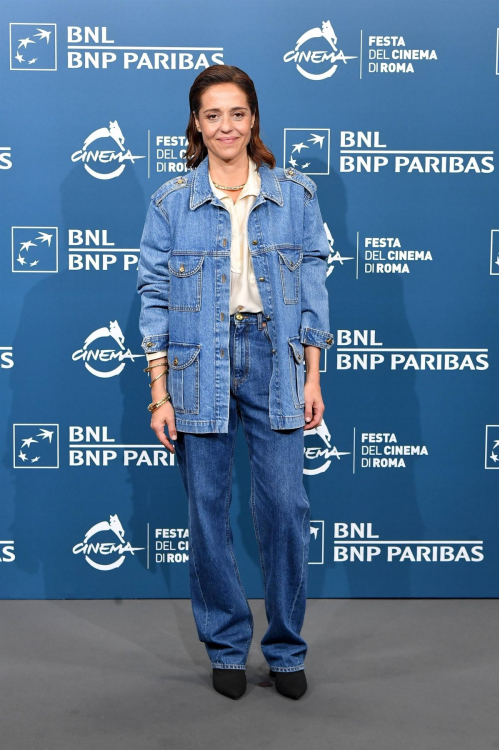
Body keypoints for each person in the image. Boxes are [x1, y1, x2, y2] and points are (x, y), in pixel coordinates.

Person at [137, 65, 333, 700]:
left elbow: (311, 291)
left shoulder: (295, 195)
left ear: (254, 120)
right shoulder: (171, 202)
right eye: (213, 115)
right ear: (197, 123)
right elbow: (154, 295)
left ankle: (284, 648)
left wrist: (313, 375)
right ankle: (225, 645)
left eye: (238, 113)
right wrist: (159, 391)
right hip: (198, 365)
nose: (226, 126)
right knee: (207, 512)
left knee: (285, 509)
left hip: (276, 360)